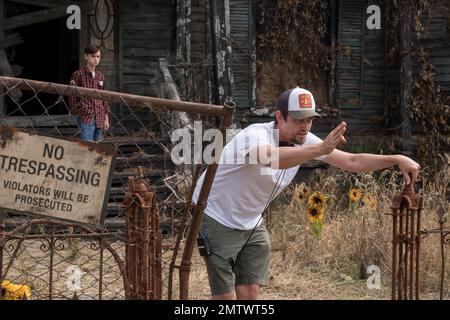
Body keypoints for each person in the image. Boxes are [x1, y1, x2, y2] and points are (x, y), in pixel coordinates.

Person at [192, 87, 421, 300]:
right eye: (298, 120)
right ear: (280, 117)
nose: (305, 126)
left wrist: (396, 159)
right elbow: (270, 159)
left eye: (310, 120)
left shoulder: (305, 141)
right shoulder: (254, 135)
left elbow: (351, 160)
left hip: (251, 221)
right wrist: (320, 149)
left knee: (250, 291)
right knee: (225, 297)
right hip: (217, 214)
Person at [69, 45, 110, 142]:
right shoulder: (78, 74)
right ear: (86, 56)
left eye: (98, 56)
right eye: (93, 56)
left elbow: (103, 97)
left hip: (100, 116)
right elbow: (72, 96)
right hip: (86, 116)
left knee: (97, 147)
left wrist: (106, 118)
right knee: (86, 146)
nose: (96, 59)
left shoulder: (100, 76)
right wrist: (80, 111)